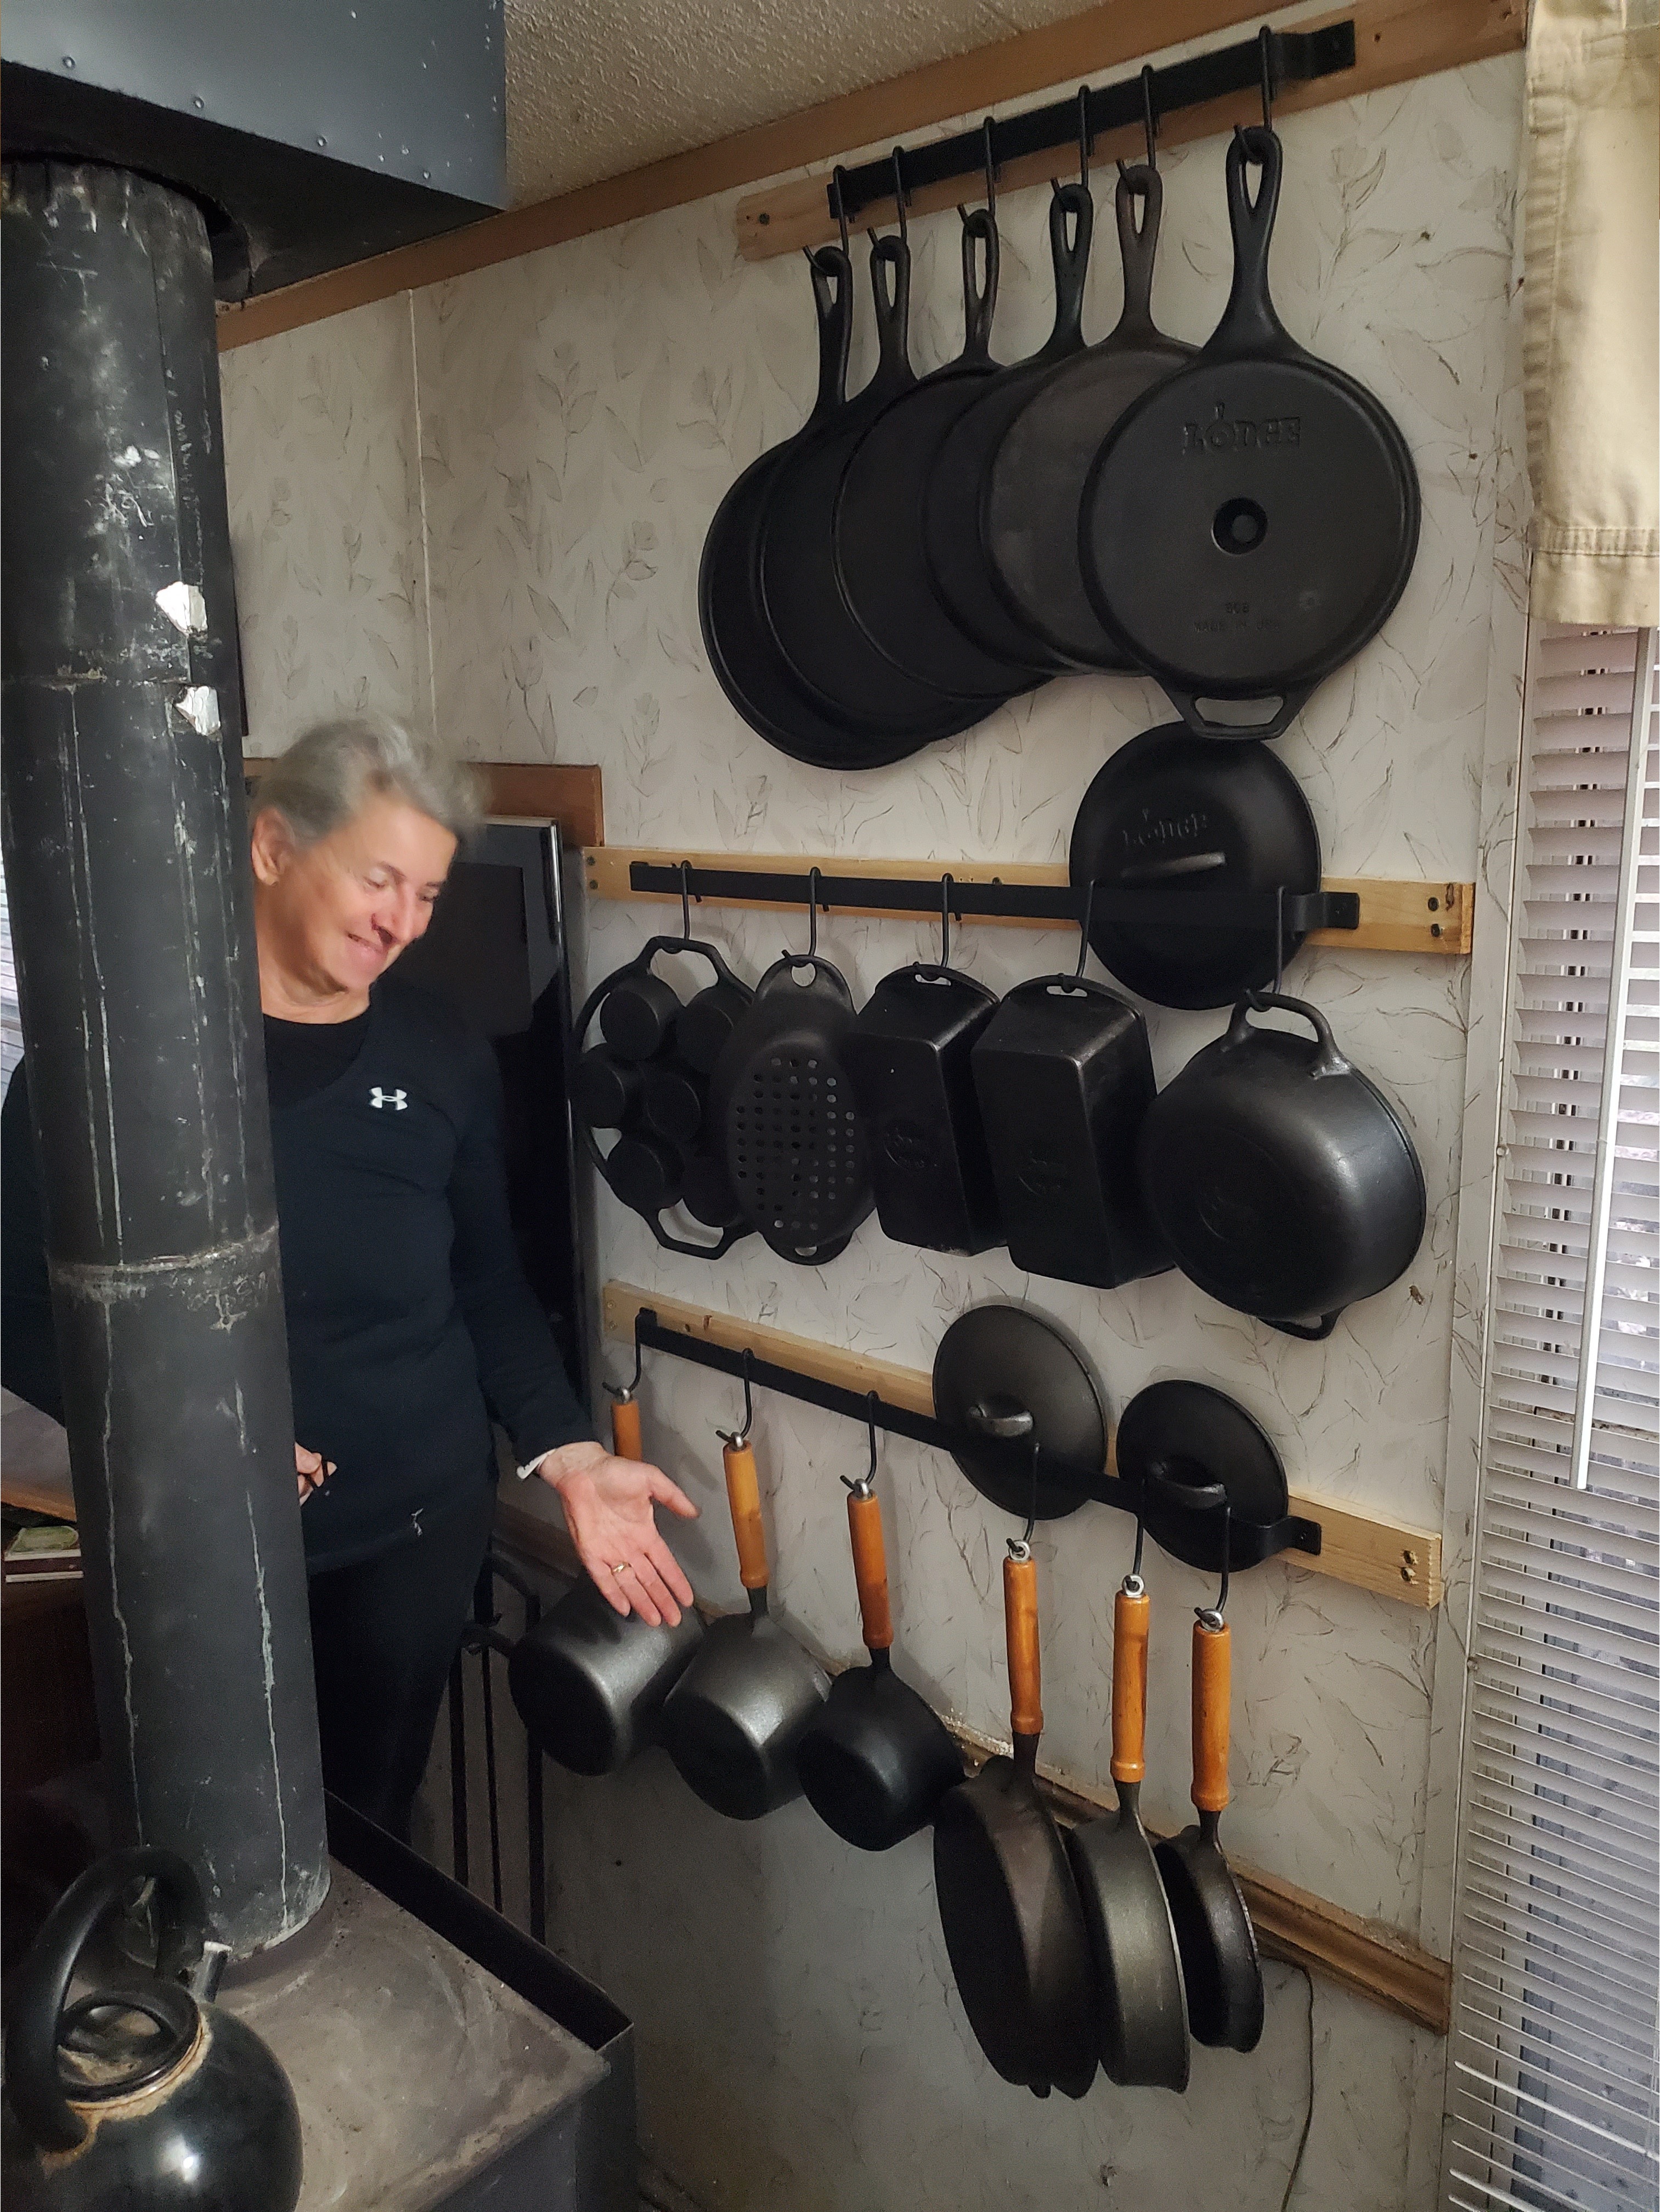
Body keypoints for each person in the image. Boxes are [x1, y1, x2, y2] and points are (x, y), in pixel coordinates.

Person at [2, 714, 696, 1840]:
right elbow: (13, 1311)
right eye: (379, 878)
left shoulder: (439, 1053)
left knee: (372, 1830)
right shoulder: (100, 1072)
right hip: (195, 1542)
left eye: (425, 895)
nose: (401, 923)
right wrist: (189, 1435)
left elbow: (487, 1284)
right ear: (274, 849)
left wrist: (566, 1448)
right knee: (200, 1840)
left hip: (413, 1536)